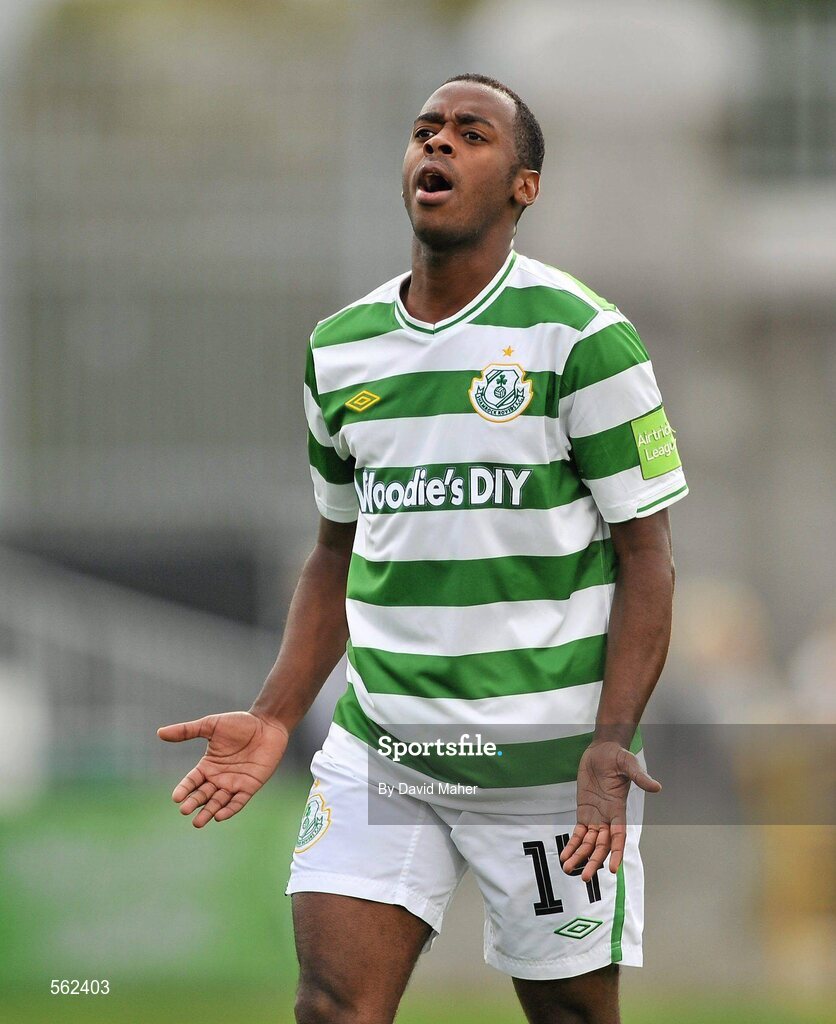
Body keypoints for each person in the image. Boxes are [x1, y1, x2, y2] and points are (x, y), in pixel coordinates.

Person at [158, 73, 687, 1024]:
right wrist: (277, 713)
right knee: (332, 1007)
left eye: (471, 134)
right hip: (384, 748)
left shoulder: (583, 337)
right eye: (425, 129)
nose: (437, 143)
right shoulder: (341, 350)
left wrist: (611, 740)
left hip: (544, 762)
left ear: (524, 186)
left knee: (570, 1013)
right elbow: (335, 550)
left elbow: (648, 556)